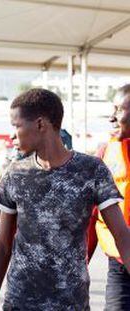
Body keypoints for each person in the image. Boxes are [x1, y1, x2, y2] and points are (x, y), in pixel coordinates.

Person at [0, 88, 130, 311]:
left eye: (16, 125)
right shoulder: (15, 174)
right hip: (20, 302)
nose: (13, 134)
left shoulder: (91, 171)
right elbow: (3, 243)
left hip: (70, 303)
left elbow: (122, 236)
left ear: (40, 124)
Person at [87, 84, 130, 310]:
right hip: (119, 265)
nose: (112, 117)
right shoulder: (104, 153)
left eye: (119, 110)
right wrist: (82, 262)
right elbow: (93, 214)